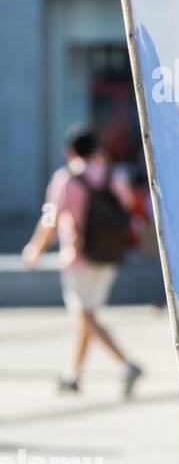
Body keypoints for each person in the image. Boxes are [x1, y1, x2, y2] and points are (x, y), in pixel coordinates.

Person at [22, 126, 144, 396]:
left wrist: (35, 249)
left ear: (70, 151)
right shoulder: (113, 175)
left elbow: (50, 219)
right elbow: (127, 206)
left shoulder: (66, 179)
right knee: (87, 317)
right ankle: (74, 375)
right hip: (109, 256)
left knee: (85, 316)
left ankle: (127, 364)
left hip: (79, 258)